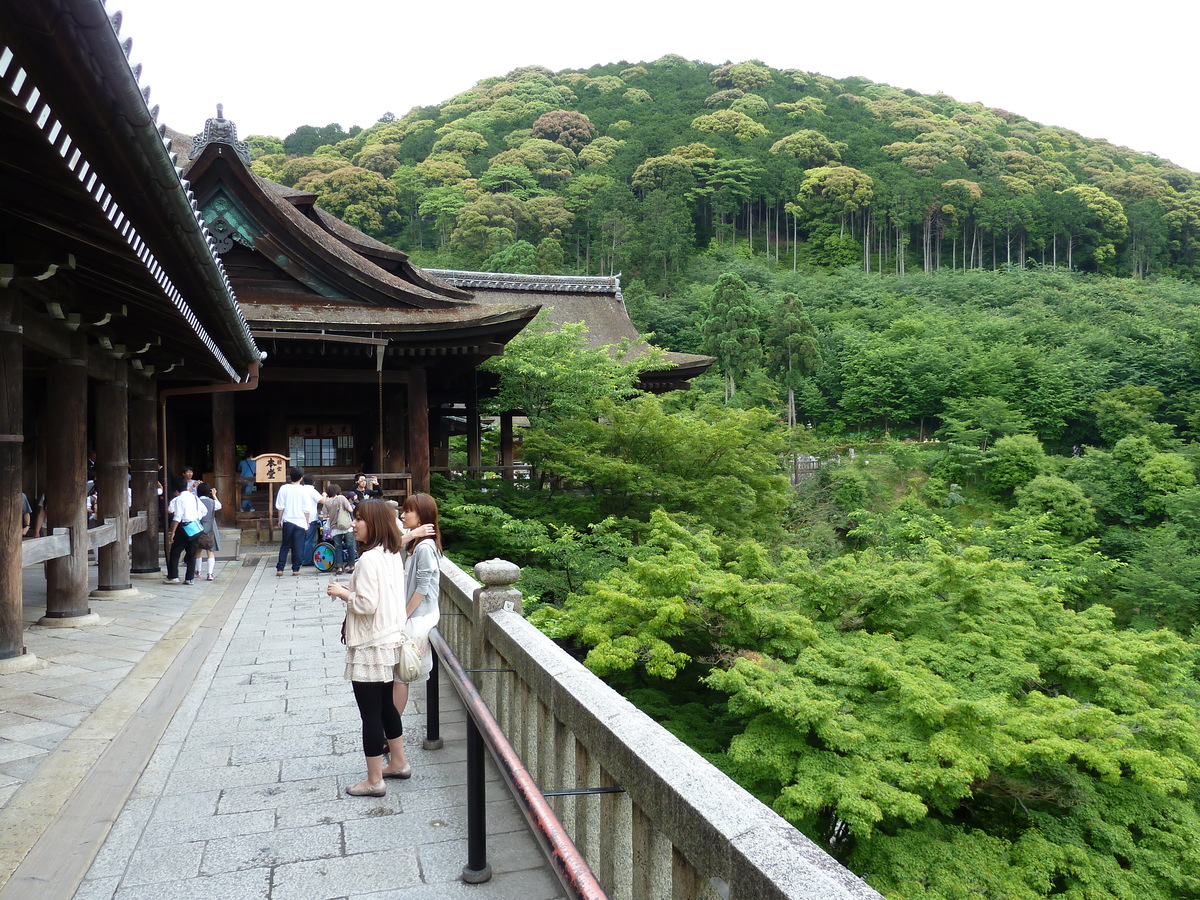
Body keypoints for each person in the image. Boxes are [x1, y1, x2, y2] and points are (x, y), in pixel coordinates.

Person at [325, 500, 418, 797]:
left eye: (359, 519)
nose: (354, 524)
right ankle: (399, 762)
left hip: (369, 644)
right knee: (387, 706)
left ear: (373, 523)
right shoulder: (391, 554)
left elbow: (366, 604)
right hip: (390, 640)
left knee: (371, 714)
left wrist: (342, 592)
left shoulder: (367, 560)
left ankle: (374, 779)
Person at [165, 476, 204, 584]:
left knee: (175, 552)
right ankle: (190, 578)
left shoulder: (178, 499)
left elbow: (177, 516)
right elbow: (203, 511)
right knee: (192, 554)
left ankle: (173, 576)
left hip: (183, 527)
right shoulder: (194, 497)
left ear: (176, 490)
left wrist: (172, 532)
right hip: (194, 527)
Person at [275, 466, 309, 576]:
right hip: (300, 521)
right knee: (298, 545)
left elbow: (280, 507)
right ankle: (296, 569)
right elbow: (306, 509)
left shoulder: (284, 488)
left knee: (285, 545)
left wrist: (280, 520)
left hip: (288, 520)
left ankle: (280, 568)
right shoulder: (304, 490)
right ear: (301, 477)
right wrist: (307, 522)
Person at [321, 483, 356, 575]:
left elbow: (325, 515)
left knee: (338, 547)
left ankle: (339, 567)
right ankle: (352, 566)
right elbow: (350, 509)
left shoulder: (327, 502)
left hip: (335, 527)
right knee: (350, 545)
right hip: (346, 525)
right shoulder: (341, 498)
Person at [196, 482, 222, 581]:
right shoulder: (212, 502)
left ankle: (198, 571)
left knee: (198, 550)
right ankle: (210, 574)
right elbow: (219, 506)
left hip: (198, 527)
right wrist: (214, 495)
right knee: (210, 550)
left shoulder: (196, 501)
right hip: (210, 526)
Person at [300, 474, 322, 567]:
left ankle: (300, 559)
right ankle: (307, 560)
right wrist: (324, 495)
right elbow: (322, 501)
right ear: (314, 482)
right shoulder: (312, 491)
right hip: (311, 518)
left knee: (301, 540)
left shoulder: (300, 489)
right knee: (310, 540)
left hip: (299, 518)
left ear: (303, 481)